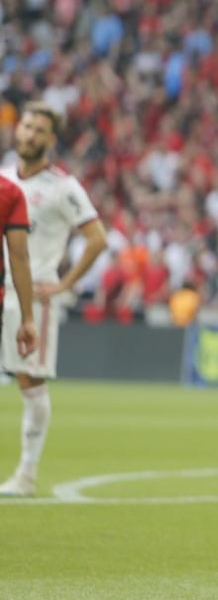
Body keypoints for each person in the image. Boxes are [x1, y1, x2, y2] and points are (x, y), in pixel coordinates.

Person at [0, 103, 106, 497]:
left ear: (51, 140)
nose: (29, 135)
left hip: (35, 295)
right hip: (0, 288)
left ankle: (26, 475)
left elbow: (98, 239)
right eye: (26, 126)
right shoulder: (4, 180)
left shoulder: (64, 187)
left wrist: (64, 286)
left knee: (30, 382)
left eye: (38, 130)